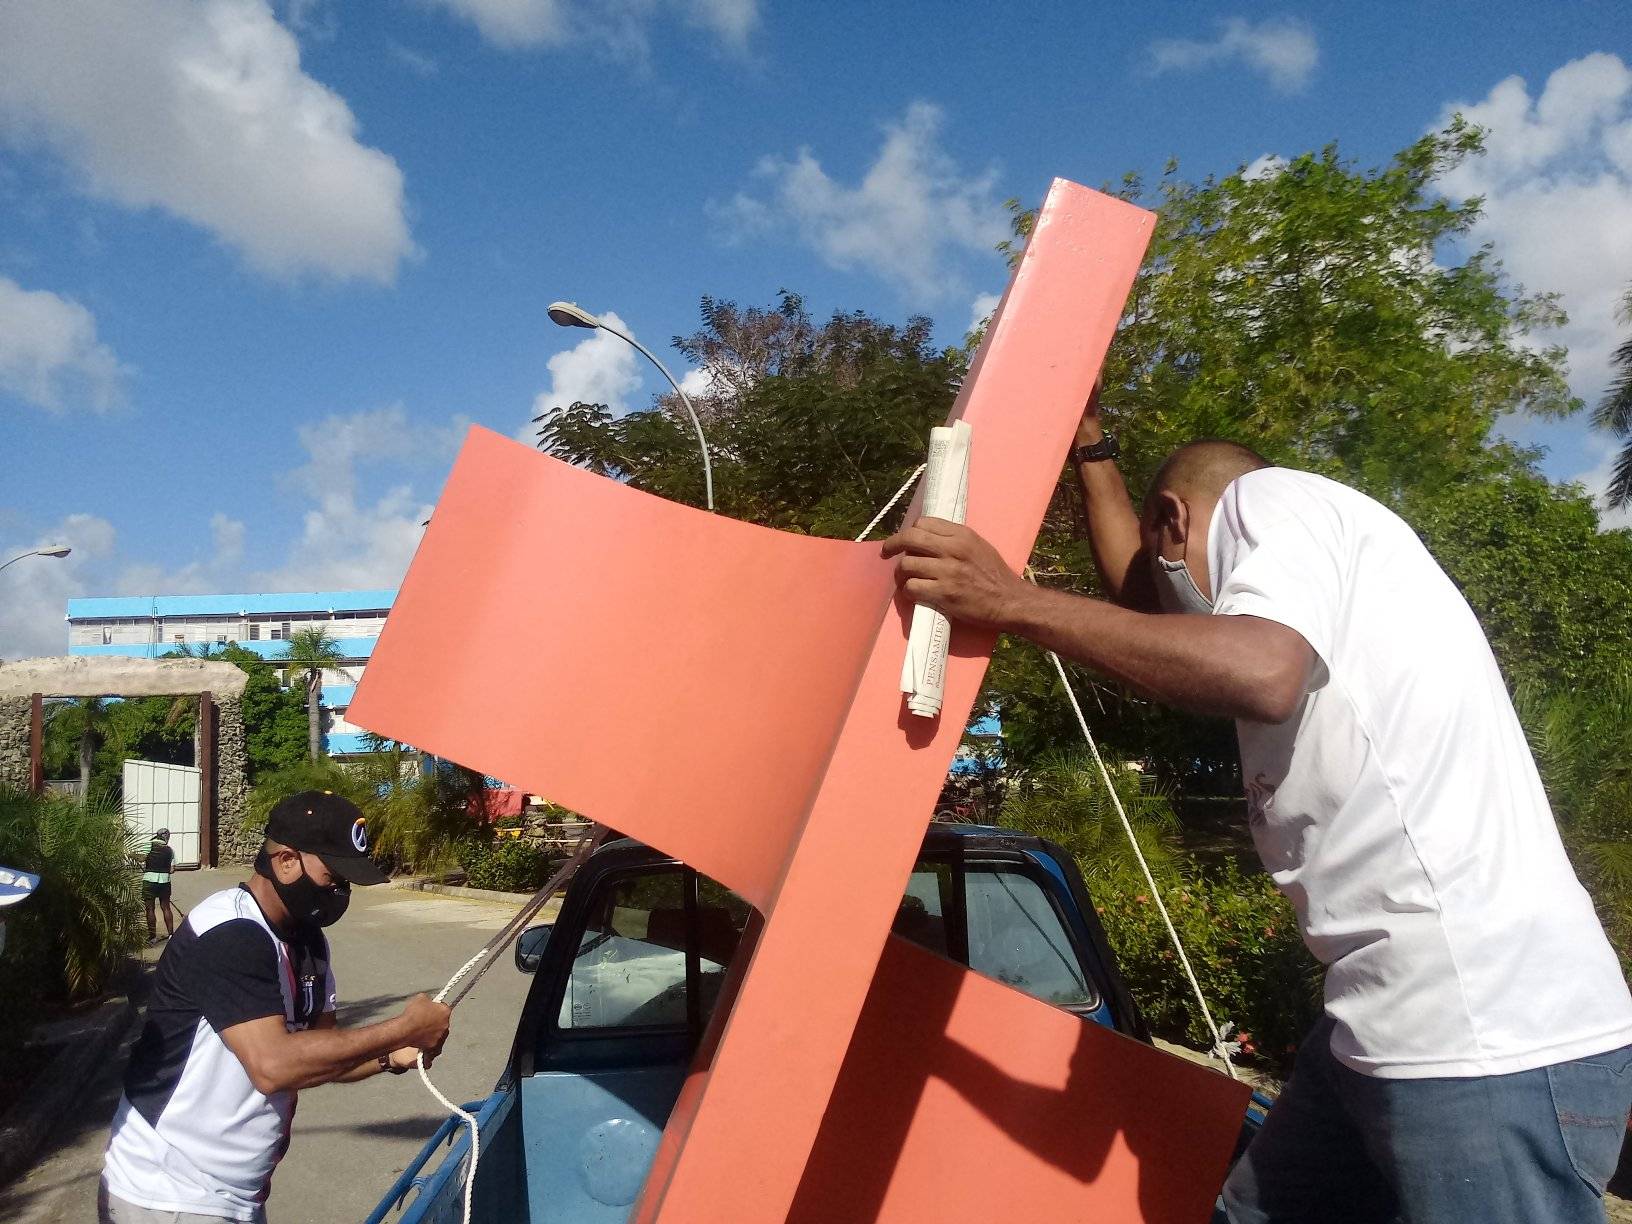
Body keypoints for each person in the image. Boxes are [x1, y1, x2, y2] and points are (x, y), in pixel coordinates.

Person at [882, 385, 1632, 1224]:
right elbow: (1141, 602)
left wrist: (1011, 601)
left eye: (1163, 558)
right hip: (1380, 1024)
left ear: (1176, 517)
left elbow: (1259, 671)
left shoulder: (1272, 500)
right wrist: (1090, 445)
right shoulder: (1325, 570)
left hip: (1484, 1035)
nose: (1169, 601)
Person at [100, 791, 453, 1224]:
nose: (340, 892)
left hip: (234, 1195)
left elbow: (321, 1050)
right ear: (286, 861)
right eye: (334, 876)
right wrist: (403, 1028)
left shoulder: (308, 942)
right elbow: (274, 1066)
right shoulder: (232, 933)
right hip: (169, 1193)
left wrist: (389, 1057)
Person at [141, 829, 176, 944]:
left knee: (150, 909)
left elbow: (141, 858)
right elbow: (172, 870)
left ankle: (152, 937)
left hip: (149, 880)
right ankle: (171, 935)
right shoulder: (170, 850)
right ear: (166, 838)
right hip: (165, 881)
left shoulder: (149, 845)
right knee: (166, 907)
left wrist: (133, 856)